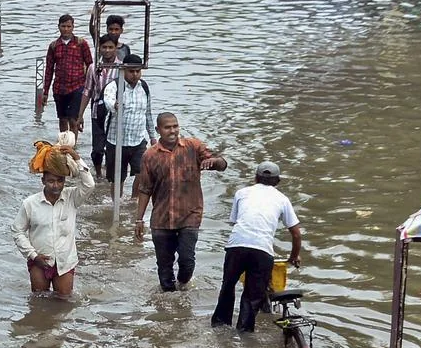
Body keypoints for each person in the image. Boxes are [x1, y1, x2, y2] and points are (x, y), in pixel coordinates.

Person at [134, 112, 228, 292]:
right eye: (167, 127)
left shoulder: (193, 147)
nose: (172, 131)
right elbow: (145, 189)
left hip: (189, 215)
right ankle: (170, 310)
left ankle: (184, 287)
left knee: (187, 261)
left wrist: (213, 161)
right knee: (164, 269)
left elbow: (222, 164)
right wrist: (139, 220)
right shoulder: (150, 155)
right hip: (161, 219)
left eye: (175, 126)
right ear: (158, 130)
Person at [212, 162, 301, 332]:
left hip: (236, 246)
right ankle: (244, 334)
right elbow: (296, 233)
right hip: (262, 251)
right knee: (252, 296)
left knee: (228, 286)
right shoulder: (282, 199)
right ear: (278, 181)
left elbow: (235, 221)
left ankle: (220, 327)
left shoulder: (242, 193)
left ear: (255, 178)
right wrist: (294, 256)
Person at [12, 147, 95, 297]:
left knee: (64, 301)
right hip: (39, 262)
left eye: (60, 181)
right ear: (43, 181)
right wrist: (33, 255)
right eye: (50, 181)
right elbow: (17, 231)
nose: (55, 185)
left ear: (64, 181)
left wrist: (76, 156)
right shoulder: (30, 204)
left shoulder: (72, 198)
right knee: (38, 302)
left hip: (65, 262)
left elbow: (89, 184)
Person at [102, 53, 155, 198]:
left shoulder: (143, 87)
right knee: (117, 178)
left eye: (138, 71)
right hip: (116, 141)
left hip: (138, 140)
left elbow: (148, 113)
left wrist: (153, 137)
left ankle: (133, 201)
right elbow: (108, 100)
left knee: (142, 173)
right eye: (131, 71)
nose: (135, 74)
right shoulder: (114, 86)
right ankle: (116, 205)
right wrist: (115, 105)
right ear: (124, 70)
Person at [41, 14, 92, 137]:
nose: (66, 29)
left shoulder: (81, 43)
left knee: (73, 120)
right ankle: (64, 144)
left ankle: (73, 147)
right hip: (59, 88)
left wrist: (90, 88)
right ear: (58, 27)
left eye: (68, 26)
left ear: (73, 27)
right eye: (63, 26)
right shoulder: (54, 46)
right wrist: (45, 92)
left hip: (77, 86)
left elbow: (90, 65)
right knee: (62, 119)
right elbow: (49, 70)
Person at [79, 34, 120, 177]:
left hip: (115, 115)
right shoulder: (93, 67)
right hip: (97, 112)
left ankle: (110, 176)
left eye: (110, 47)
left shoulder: (121, 68)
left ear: (116, 48)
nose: (107, 50)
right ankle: (98, 175)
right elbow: (87, 91)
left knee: (112, 148)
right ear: (99, 49)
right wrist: (80, 116)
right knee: (97, 150)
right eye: (104, 47)